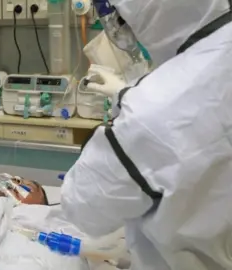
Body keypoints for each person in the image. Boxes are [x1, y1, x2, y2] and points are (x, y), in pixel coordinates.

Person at [61, 0, 232, 269]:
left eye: (116, 14)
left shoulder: (153, 112)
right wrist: (129, 95)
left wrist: (133, 108)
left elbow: (83, 209)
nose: (117, 25)